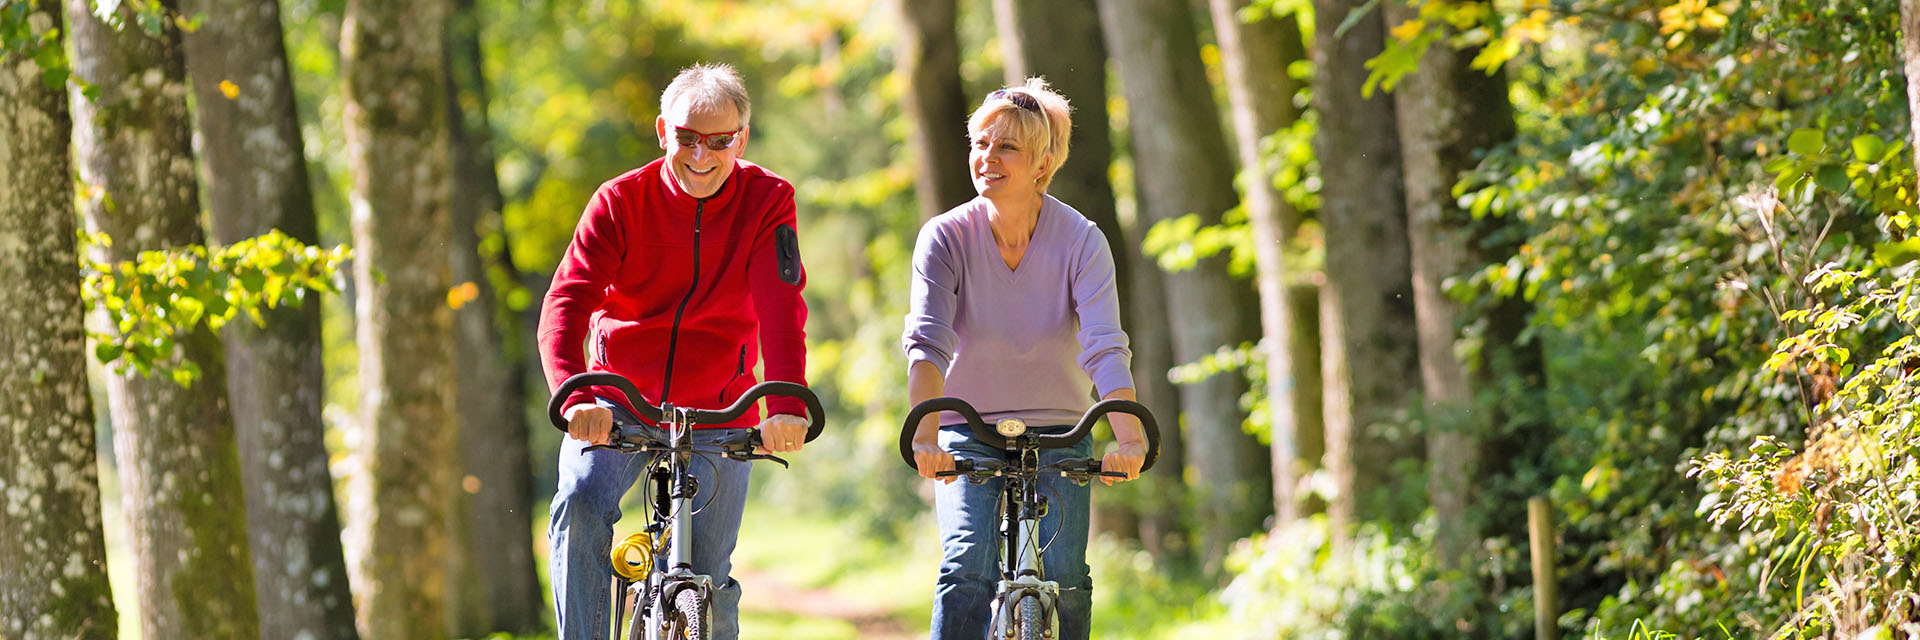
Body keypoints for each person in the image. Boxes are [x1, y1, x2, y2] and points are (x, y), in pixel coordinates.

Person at [539, 62, 811, 640]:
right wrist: (574, 395)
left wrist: (786, 404)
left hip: (721, 406)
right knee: (580, 504)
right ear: (664, 131)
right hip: (618, 400)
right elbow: (566, 303)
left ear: (742, 138)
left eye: (721, 140)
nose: (701, 154)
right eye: (687, 138)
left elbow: (781, 306)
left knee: (708, 578)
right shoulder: (620, 201)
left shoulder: (768, 199)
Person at [901, 77, 1150, 640]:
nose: (987, 157)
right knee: (966, 569)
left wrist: (1129, 440)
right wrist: (925, 435)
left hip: (1062, 430)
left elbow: (1105, 346)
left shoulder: (1081, 240)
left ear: (1041, 165)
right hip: (967, 430)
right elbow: (928, 341)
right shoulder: (944, 238)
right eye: (980, 144)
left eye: (1007, 147)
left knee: (1068, 577)